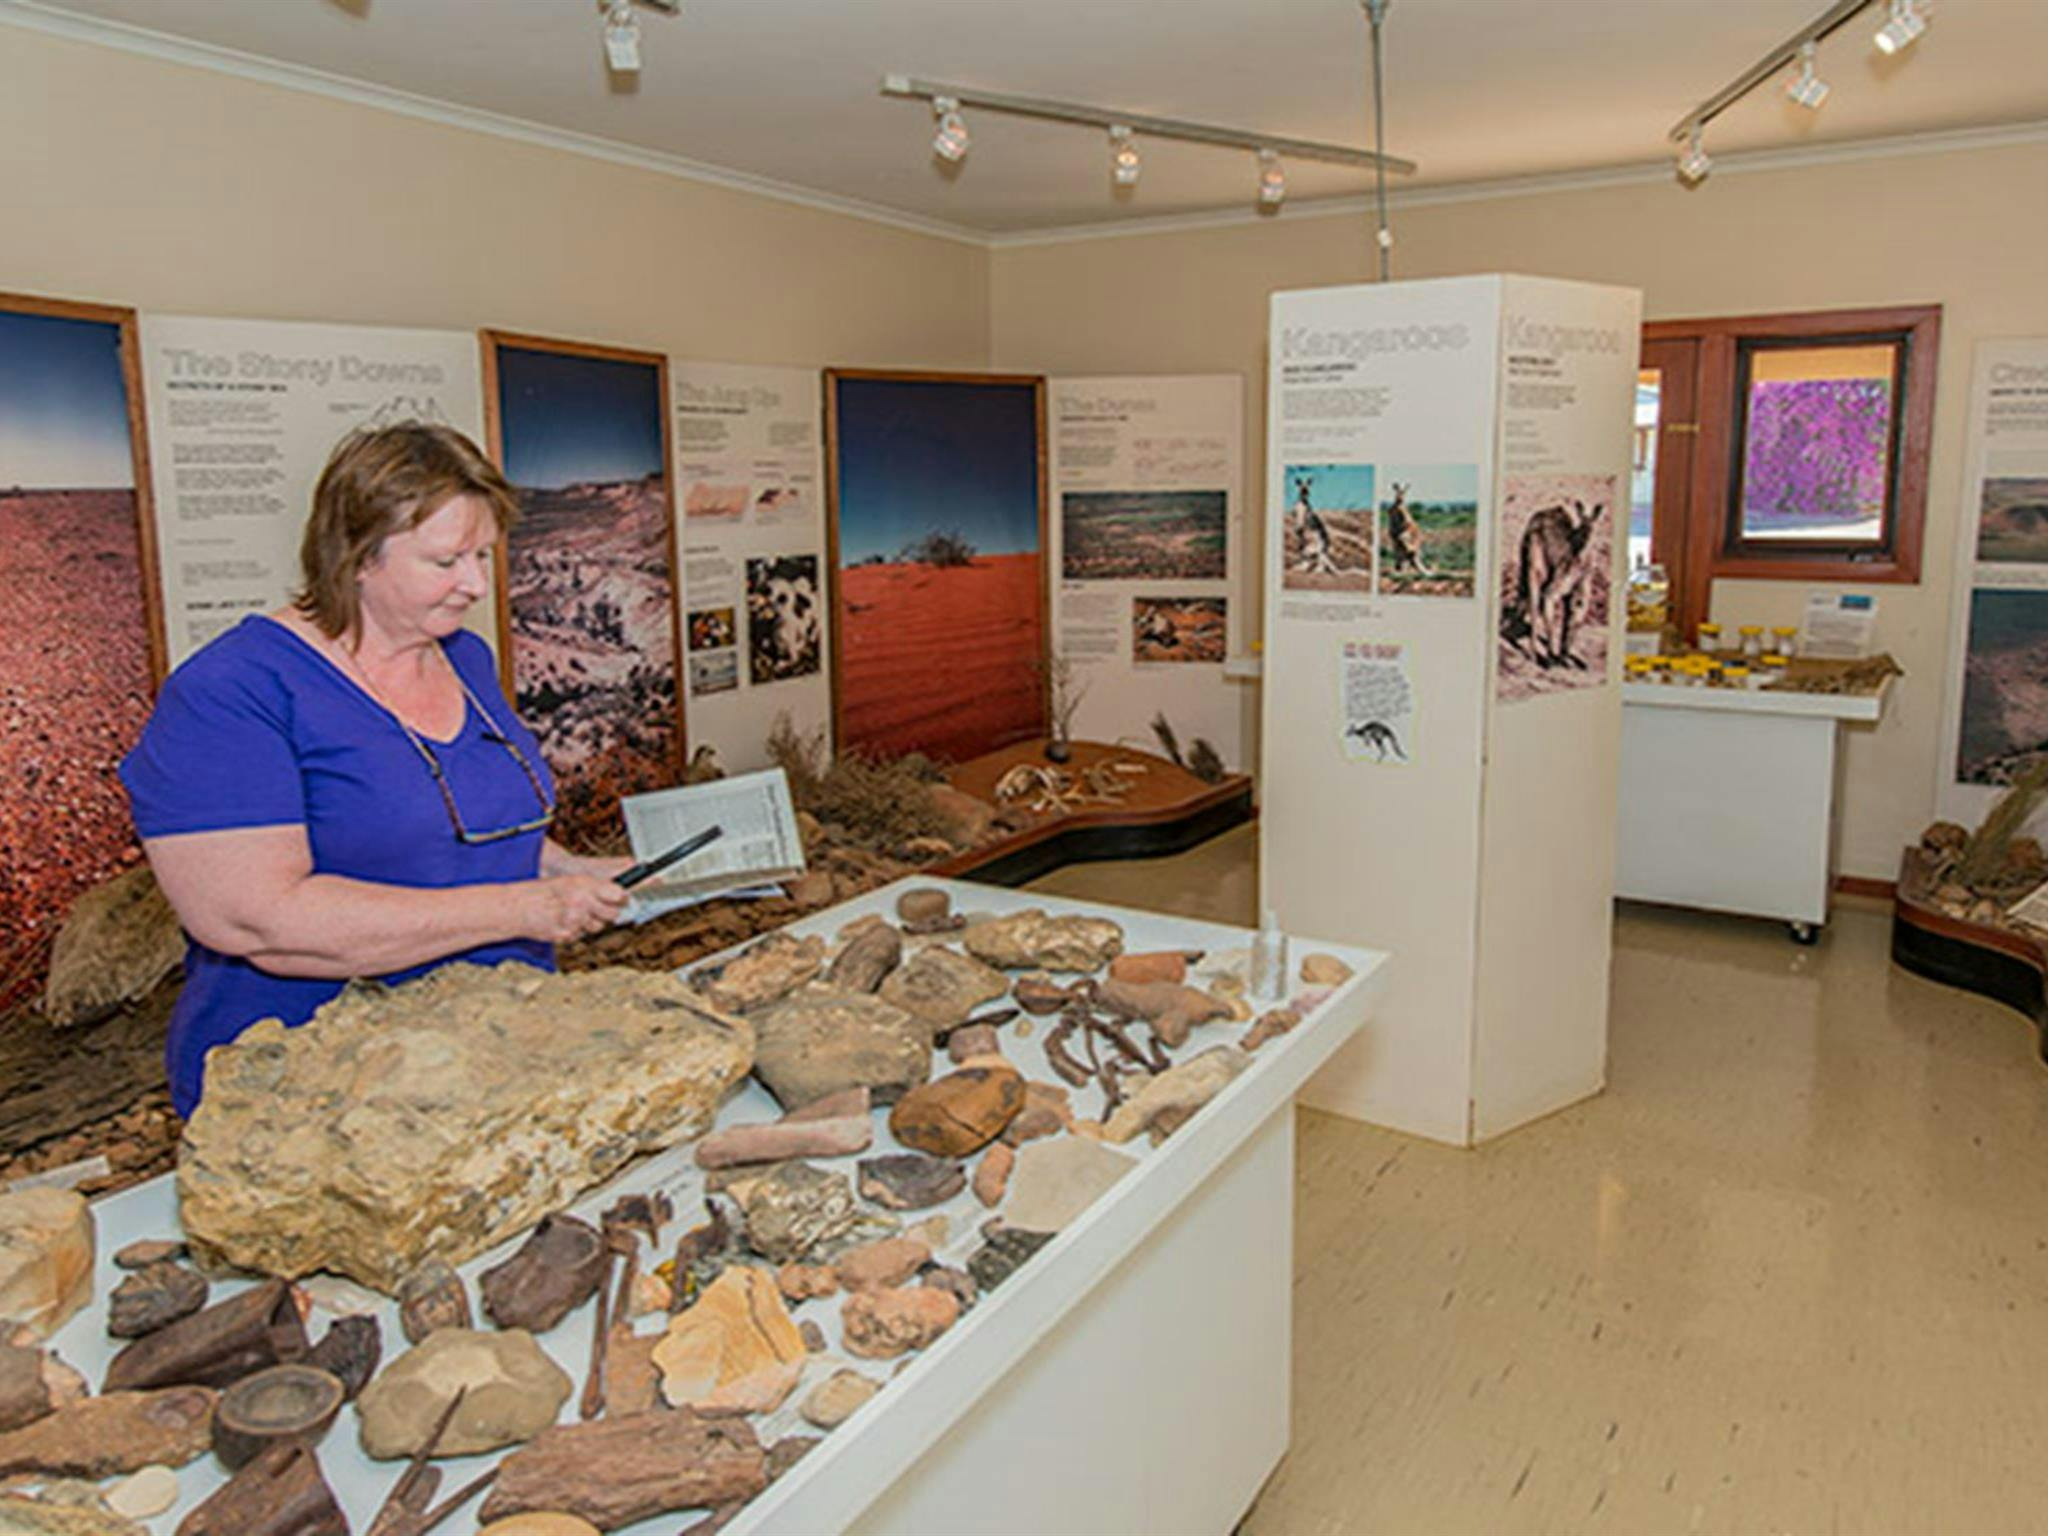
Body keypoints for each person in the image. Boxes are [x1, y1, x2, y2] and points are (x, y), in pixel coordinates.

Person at [121, 423, 630, 1118]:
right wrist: (524, 908)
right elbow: (258, 920)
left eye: (483, 555)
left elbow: (451, 823)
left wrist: (568, 870)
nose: (476, 585)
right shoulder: (232, 692)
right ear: (357, 556)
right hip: (317, 1092)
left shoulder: (464, 658)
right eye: (446, 561)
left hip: (489, 1050)